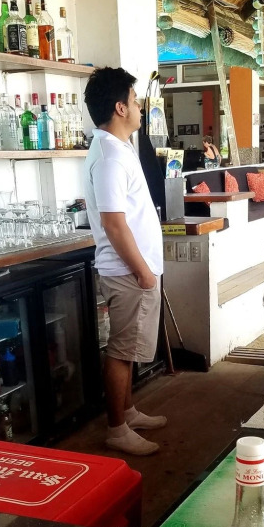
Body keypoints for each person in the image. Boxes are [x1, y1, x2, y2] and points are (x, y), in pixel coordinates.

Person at [83, 67, 167, 456]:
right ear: (120, 107)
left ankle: (128, 411)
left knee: (129, 347)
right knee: (121, 350)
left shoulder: (118, 148)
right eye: (135, 101)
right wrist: (143, 272)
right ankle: (116, 429)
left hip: (132, 270)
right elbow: (114, 224)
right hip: (128, 272)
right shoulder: (110, 157)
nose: (139, 108)